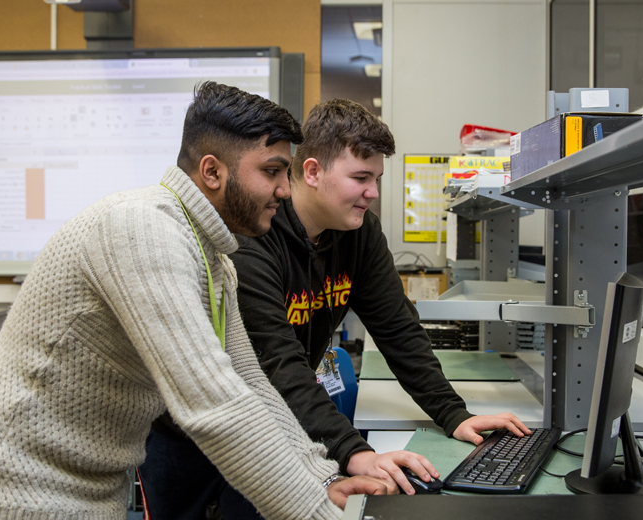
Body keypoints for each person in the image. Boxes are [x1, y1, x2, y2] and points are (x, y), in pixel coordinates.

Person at [0, 83, 392, 520]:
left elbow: (251, 384)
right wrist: (315, 512)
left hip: (89, 491)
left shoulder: (214, 257)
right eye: (271, 171)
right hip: (9, 494)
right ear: (212, 171)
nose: (286, 190)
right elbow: (215, 405)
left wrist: (318, 480)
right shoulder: (143, 230)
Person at [139, 98, 531, 516]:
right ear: (312, 172)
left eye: (377, 178)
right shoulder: (253, 235)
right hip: (188, 434)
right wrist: (354, 452)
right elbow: (278, 363)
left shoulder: (359, 233)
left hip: (273, 426)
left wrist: (453, 414)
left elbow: (397, 328)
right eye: (361, 177)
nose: (373, 193)